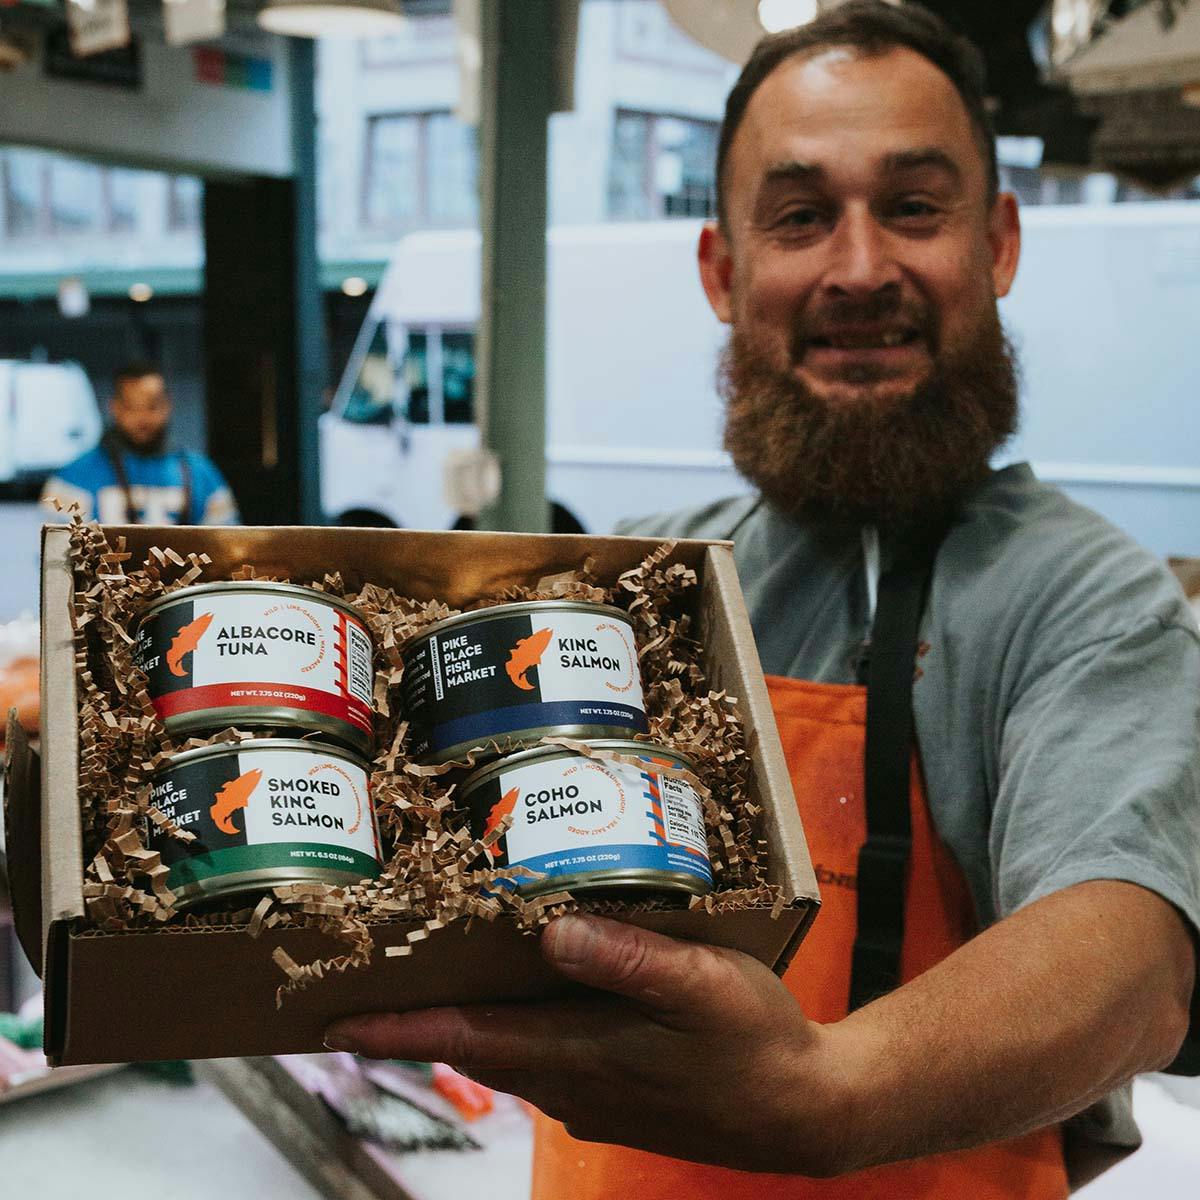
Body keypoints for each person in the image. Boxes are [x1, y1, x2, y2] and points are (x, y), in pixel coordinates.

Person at [324, 4, 1200, 1196]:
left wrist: (826, 1096)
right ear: (724, 270)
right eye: (800, 217)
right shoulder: (637, 590)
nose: (858, 267)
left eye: (912, 206)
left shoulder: (1081, 599)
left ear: (997, 242)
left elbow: (1131, 961)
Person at [41, 361, 238, 525]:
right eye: (131, 407)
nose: (142, 418)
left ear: (167, 406)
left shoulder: (201, 474)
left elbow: (225, 551)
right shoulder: (72, 478)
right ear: (115, 408)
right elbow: (57, 561)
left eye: (152, 406)